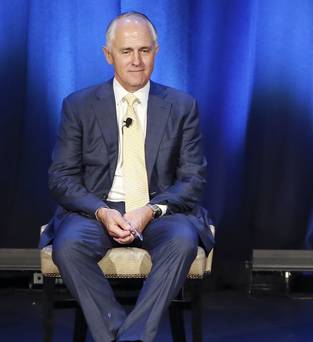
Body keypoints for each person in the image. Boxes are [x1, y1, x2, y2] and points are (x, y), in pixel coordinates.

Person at [40, 11, 214, 342]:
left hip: (161, 211)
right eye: (126, 51)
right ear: (109, 55)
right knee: (69, 245)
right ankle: (116, 332)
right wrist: (102, 212)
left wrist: (151, 209)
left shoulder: (182, 106)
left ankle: (132, 337)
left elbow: (193, 179)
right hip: (96, 211)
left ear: (156, 52)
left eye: (144, 51)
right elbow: (61, 177)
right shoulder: (78, 106)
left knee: (182, 241)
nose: (136, 61)